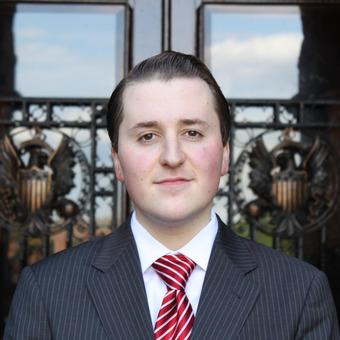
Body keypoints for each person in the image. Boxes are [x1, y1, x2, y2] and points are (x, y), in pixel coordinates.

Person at [4, 51, 339, 340]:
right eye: (148, 136)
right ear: (118, 161)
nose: (172, 156)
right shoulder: (47, 291)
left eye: (192, 132)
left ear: (224, 154)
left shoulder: (299, 293)